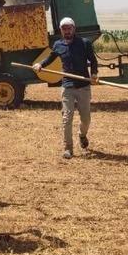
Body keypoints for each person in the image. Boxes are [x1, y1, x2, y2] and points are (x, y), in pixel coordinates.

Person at [33, 17, 99, 159]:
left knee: (86, 118)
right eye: (64, 29)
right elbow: (50, 58)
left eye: (69, 28)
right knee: (67, 117)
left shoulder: (84, 43)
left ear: (74, 29)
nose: (67, 31)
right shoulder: (58, 45)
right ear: (61, 30)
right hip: (67, 86)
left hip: (83, 86)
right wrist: (40, 65)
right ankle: (68, 148)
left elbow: (93, 60)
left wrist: (94, 74)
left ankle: (82, 135)